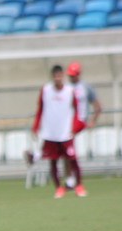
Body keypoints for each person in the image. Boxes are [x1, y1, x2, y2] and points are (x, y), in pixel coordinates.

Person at [31, 64, 85, 198]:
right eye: (55, 76)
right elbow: (40, 110)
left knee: (73, 159)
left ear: (62, 76)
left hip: (66, 132)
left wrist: (75, 127)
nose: (58, 78)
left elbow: (77, 111)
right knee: (53, 160)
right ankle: (59, 188)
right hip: (50, 133)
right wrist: (36, 127)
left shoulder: (69, 91)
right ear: (52, 77)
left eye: (60, 75)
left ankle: (78, 185)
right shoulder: (46, 90)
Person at [64, 61, 101, 189]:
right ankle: (71, 179)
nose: (71, 77)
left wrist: (92, 121)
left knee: (68, 147)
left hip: (79, 121)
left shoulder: (85, 87)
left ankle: (72, 179)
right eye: (70, 75)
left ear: (78, 74)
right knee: (67, 149)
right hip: (68, 122)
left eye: (73, 75)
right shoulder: (66, 87)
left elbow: (97, 106)